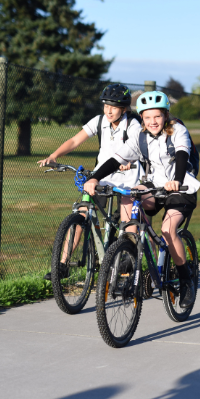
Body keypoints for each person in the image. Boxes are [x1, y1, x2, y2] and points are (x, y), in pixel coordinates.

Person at [84, 90, 200, 308]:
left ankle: (185, 280)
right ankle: (131, 247)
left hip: (181, 187)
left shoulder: (177, 130)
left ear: (165, 115)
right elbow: (116, 158)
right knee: (130, 194)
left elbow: (183, 154)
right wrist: (94, 178)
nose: (153, 121)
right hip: (155, 185)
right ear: (142, 118)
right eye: (147, 117)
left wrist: (175, 180)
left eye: (157, 116)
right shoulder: (141, 137)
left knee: (168, 229)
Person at [37, 83, 141, 280]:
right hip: (100, 176)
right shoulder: (100, 121)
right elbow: (76, 140)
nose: (108, 110)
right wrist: (54, 155)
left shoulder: (133, 124)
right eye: (106, 105)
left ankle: (128, 262)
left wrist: (129, 163)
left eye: (114, 106)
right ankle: (63, 264)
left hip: (128, 178)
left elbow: (136, 149)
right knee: (81, 214)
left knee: (129, 222)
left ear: (124, 108)